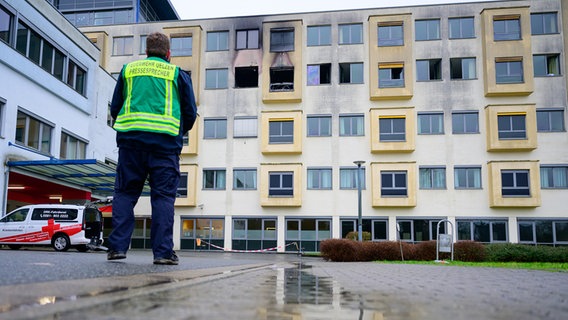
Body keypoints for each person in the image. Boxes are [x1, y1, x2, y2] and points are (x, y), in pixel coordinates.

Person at [107, 32, 197, 265]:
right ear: (168, 54)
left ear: (146, 52)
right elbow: (189, 112)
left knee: (125, 194)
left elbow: (115, 106)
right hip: (165, 147)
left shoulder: (129, 70)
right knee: (163, 198)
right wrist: (177, 131)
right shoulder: (177, 74)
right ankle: (163, 253)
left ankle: (117, 248)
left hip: (131, 144)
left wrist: (129, 127)